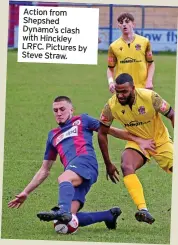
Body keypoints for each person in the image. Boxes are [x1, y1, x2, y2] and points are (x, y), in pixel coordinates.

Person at [8, 95, 155, 230]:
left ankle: (62, 210)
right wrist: (26, 192)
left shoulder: (82, 120)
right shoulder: (52, 135)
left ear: (71, 109)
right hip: (75, 176)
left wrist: (139, 140)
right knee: (64, 223)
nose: (58, 113)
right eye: (55, 110)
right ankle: (108, 215)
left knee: (63, 179)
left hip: (85, 163)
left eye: (62, 109)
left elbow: (109, 130)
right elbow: (44, 169)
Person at [98, 73, 174, 225]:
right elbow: (102, 133)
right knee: (127, 165)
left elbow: (172, 115)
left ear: (133, 88)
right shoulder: (111, 106)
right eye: (118, 91)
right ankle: (143, 210)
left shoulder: (150, 97)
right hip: (136, 142)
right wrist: (108, 163)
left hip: (160, 140)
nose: (120, 95)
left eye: (124, 91)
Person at [107, 12, 155, 93]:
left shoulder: (144, 42)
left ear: (133, 24)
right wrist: (111, 82)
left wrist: (149, 81)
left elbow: (150, 63)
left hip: (142, 88)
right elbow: (110, 68)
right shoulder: (113, 46)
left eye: (127, 22)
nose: (124, 25)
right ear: (119, 26)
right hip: (123, 90)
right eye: (121, 23)